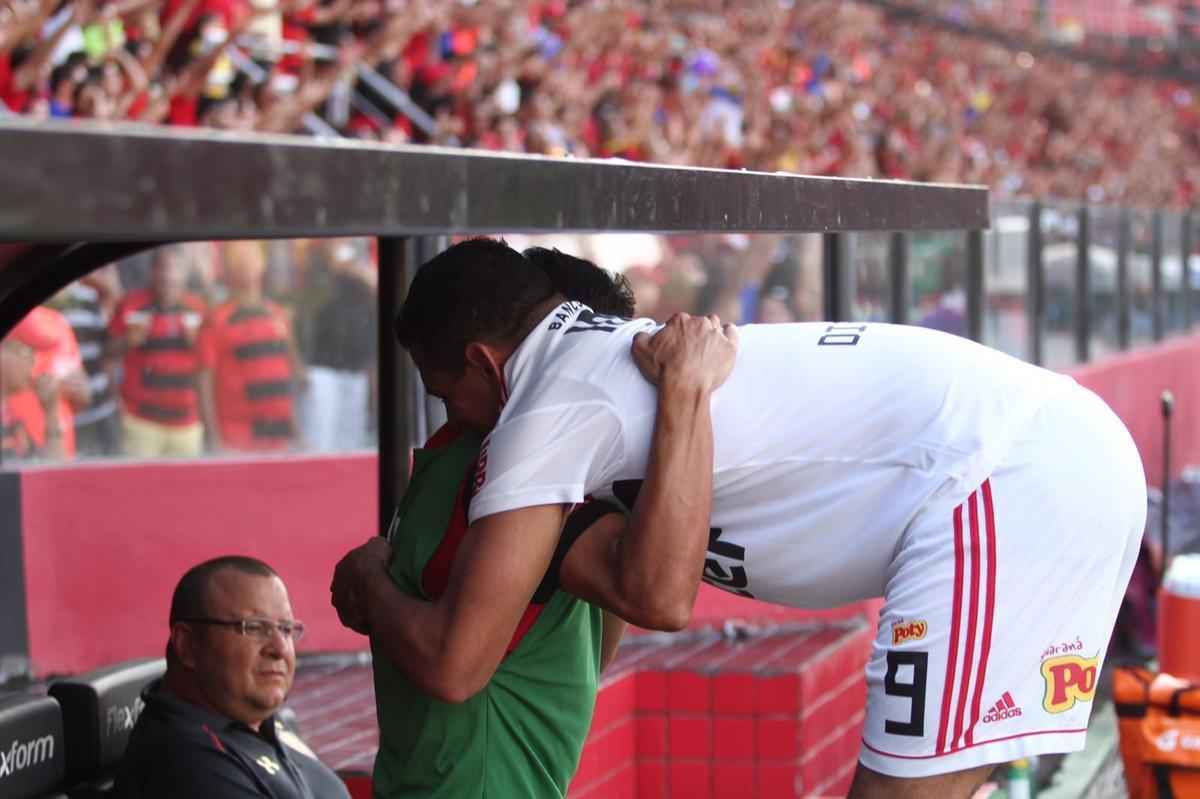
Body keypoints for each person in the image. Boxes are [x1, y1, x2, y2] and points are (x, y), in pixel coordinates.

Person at [332, 237, 1146, 799]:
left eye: (447, 395)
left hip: (1001, 476)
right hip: (1031, 461)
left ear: (481, 361)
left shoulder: (542, 413)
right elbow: (626, 601)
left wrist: (373, 580)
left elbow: (638, 606)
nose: (457, 418)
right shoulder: (595, 372)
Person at [333, 248, 713, 798]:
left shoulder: (539, 479)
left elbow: (653, 600)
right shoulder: (487, 455)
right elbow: (597, 649)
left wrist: (371, 586)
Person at [112, 555, 350, 799]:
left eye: (286, 629)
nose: (279, 649)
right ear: (188, 645)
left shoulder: (258, 721)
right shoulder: (192, 766)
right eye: (255, 627)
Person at [198, 241, 304, 453]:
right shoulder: (216, 319)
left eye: (251, 255)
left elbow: (285, 378)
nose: (245, 262)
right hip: (237, 438)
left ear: (263, 263)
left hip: (279, 436)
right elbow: (203, 383)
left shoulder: (278, 314)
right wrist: (214, 439)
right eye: (238, 257)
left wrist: (297, 433)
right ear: (228, 268)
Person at [110, 246, 208, 458]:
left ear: (184, 273)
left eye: (175, 269)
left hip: (186, 423)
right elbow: (107, 354)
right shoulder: (131, 306)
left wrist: (197, 343)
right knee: (142, 488)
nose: (168, 276)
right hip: (141, 422)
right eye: (163, 269)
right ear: (152, 272)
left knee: (187, 488)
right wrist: (127, 341)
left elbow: (207, 365)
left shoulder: (197, 308)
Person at [1, 314, 67, 462]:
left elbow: (48, 474)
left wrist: (51, 412)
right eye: (27, 352)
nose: (33, 361)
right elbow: (52, 476)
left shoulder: (9, 416)